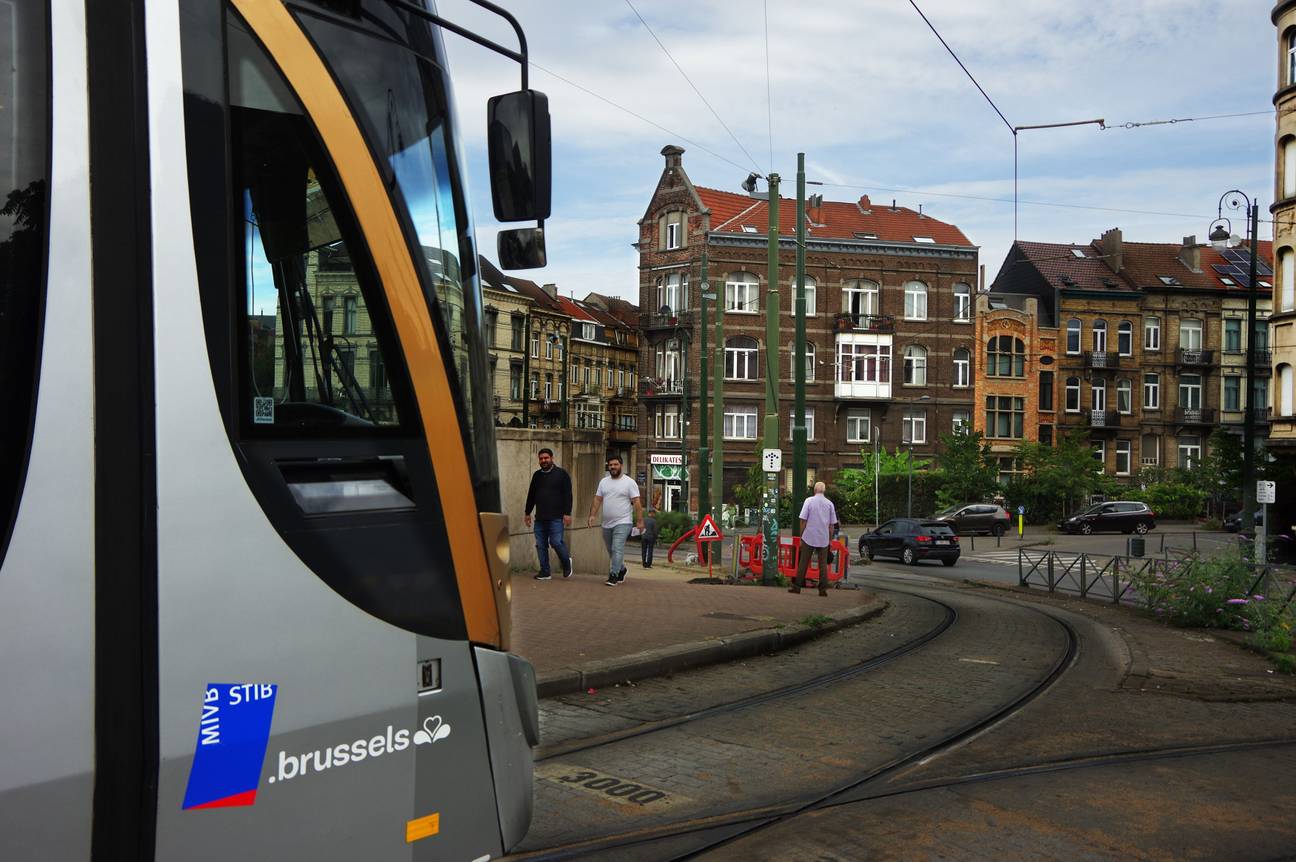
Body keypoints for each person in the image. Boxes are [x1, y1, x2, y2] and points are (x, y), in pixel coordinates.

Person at [587, 456, 644, 586]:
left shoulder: (629, 482)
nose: (612, 467)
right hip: (607, 523)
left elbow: (637, 502)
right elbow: (597, 499)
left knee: (617, 548)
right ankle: (622, 569)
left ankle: (613, 575)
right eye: (610, 465)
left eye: (615, 464)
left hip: (623, 521)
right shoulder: (604, 482)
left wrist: (640, 521)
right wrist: (592, 515)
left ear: (621, 465)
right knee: (611, 550)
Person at [524, 447, 573, 581]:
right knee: (541, 545)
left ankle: (566, 562)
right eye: (541, 459)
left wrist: (567, 513)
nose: (543, 460)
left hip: (556, 517)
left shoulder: (562, 474)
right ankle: (545, 572)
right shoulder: (537, 475)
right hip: (540, 518)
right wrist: (527, 513)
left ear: (552, 458)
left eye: (546, 458)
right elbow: (531, 495)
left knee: (556, 542)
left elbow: (568, 495)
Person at [792, 482, 839, 597]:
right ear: (824, 491)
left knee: (803, 562)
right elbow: (832, 525)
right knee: (822, 565)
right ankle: (822, 589)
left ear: (814, 490)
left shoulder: (809, 501)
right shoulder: (829, 504)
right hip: (823, 538)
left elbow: (803, 520)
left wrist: (802, 535)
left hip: (809, 536)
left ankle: (797, 586)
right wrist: (830, 539)